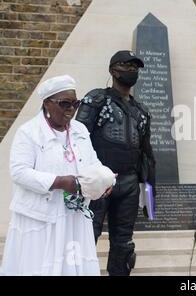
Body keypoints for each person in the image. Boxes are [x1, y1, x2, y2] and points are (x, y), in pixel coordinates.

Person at [1, 75, 114, 276]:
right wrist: (60, 182)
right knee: (39, 268)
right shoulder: (28, 132)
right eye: (64, 103)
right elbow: (19, 172)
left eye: (75, 103)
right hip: (40, 218)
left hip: (74, 217)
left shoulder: (80, 130)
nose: (71, 109)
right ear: (47, 103)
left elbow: (92, 162)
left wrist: (104, 180)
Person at [76, 50, 156, 276]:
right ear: (113, 70)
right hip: (98, 181)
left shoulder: (142, 112)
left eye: (135, 67)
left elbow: (147, 154)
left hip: (129, 183)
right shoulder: (96, 100)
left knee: (124, 244)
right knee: (86, 236)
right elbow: (76, 140)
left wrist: (150, 193)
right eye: (126, 66)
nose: (131, 71)